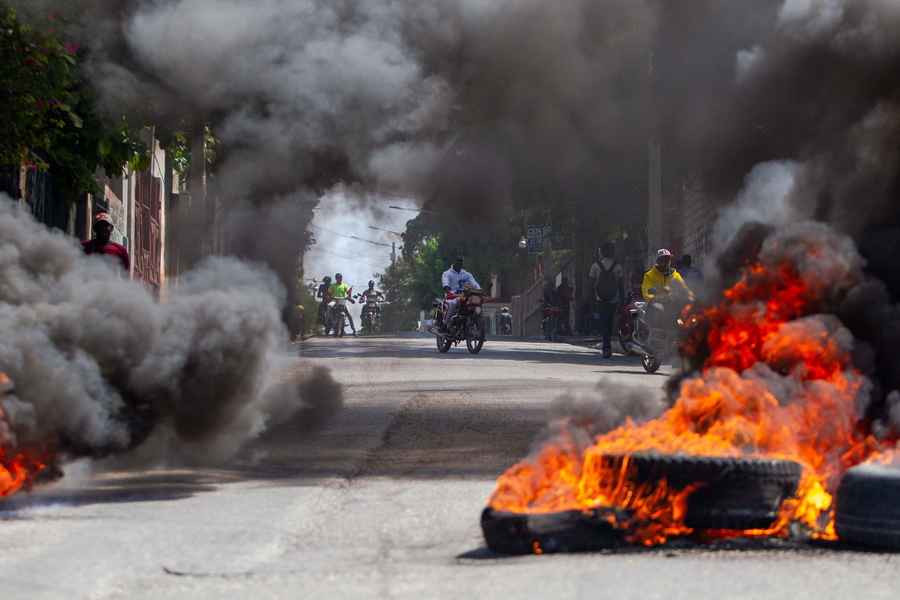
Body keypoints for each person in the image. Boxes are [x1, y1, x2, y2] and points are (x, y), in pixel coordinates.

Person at [643, 249, 695, 331]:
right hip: (658, 302)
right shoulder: (649, 275)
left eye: (667, 260)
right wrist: (652, 298)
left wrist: (691, 297)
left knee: (686, 312)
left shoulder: (675, 275)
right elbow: (646, 290)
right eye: (663, 261)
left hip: (672, 302)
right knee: (658, 309)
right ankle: (656, 335)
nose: (665, 263)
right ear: (658, 262)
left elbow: (684, 288)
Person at [589, 242, 625, 358]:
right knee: (609, 323)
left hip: (600, 298)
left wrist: (591, 301)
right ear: (613, 252)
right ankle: (607, 345)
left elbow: (591, 285)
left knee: (603, 322)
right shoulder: (618, 267)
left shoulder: (595, 266)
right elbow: (620, 286)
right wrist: (623, 301)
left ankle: (606, 347)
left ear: (602, 253)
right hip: (613, 299)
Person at [440, 255, 481, 332]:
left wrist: (479, 290)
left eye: (461, 261)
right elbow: (445, 282)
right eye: (457, 261)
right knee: (453, 304)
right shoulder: (447, 274)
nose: (459, 262)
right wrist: (446, 287)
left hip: (465, 296)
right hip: (452, 296)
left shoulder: (466, 274)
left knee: (475, 303)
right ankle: (444, 324)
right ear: (453, 262)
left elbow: (474, 284)